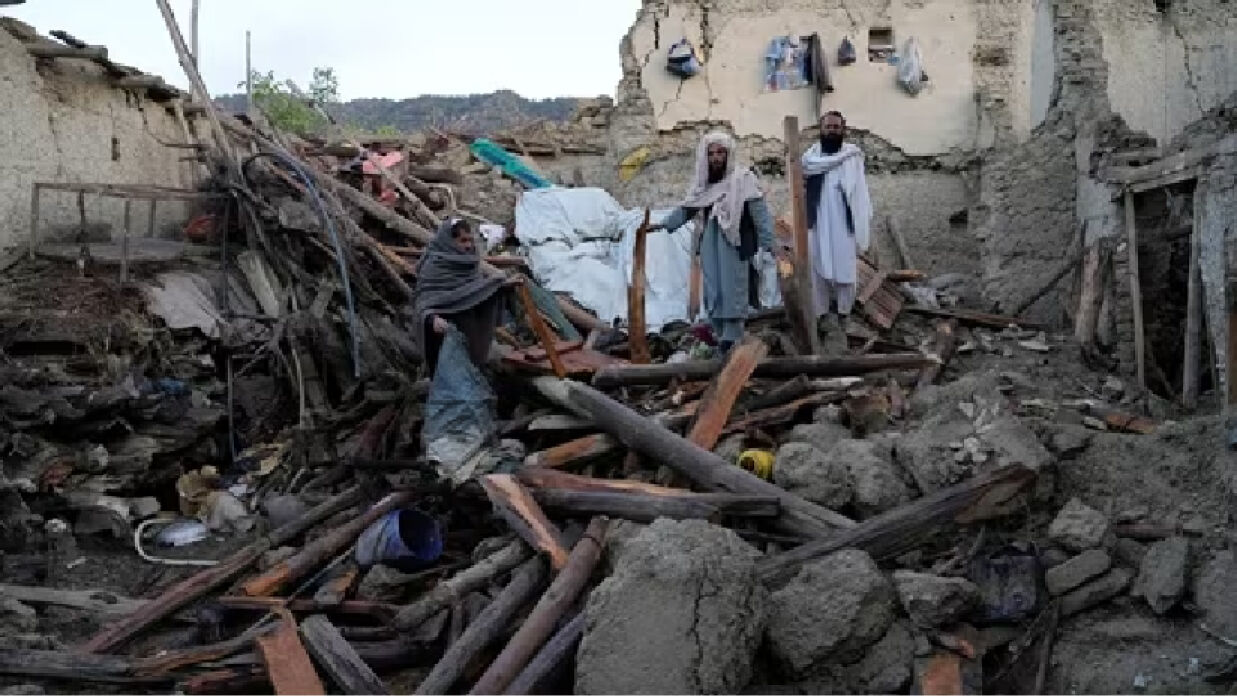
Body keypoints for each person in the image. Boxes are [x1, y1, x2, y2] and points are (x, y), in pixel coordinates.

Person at [650, 131, 786, 355]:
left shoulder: (743, 180)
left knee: (733, 288)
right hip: (709, 242)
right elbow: (688, 209)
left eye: (720, 153)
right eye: (711, 153)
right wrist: (662, 225)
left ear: (729, 154)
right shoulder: (702, 186)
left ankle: (732, 339)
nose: (715, 158)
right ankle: (718, 335)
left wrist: (771, 244)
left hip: (734, 242)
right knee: (714, 290)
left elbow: (759, 213)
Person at [409, 217, 520, 374]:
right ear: (449, 241)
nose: (468, 246)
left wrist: (500, 286)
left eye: (470, 240)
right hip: (443, 339)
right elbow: (422, 303)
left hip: (468, 334)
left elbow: (475, 292)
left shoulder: (469, 264)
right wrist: (431, 318)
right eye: (462, 241)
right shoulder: (435, 266)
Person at [801, 110, 873, 351]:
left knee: (845, 269)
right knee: (816, 266)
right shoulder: (809, 158)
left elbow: (859, 191)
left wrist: (859, 218)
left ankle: (844, 313)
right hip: (817, 221)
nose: (832, 130)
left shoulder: (851, 156)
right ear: (820, 130)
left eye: (836, 127)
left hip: (843, 222)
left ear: (844, 129)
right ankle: (822, 314)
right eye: (828, 127)